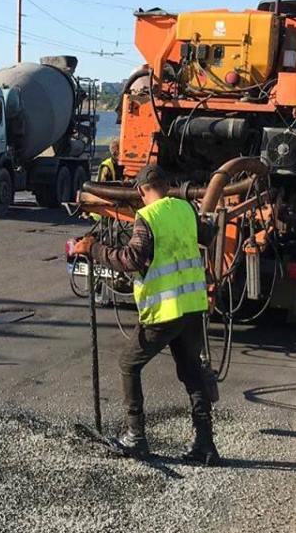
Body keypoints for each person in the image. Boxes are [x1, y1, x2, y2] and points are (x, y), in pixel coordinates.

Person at [71, 163, 219, 465]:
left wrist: (94, 248)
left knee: (129, 363)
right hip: (192, 306)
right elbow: (208, 234)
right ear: (168, 186)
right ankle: (205, 444)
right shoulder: (186, 209)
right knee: (191, 373)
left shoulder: (147, 217)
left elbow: (132, 259)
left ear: (140, 191)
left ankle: (136, 436)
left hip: (165, 309)